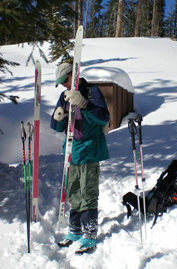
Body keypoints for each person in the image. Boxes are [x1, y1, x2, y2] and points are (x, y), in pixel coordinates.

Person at [51, 63, 110, 255]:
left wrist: (84, 104)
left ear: (73, 75)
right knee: (73, 189)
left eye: (65, 80)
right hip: (72, 150)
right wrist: (57, 118)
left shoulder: (92, 91)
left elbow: (103, 118)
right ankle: (74, 229)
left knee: (88, 191)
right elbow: (57, 126)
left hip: (90, 148)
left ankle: (89, 233)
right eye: (60, 83)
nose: (63, 86)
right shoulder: (64, 95)